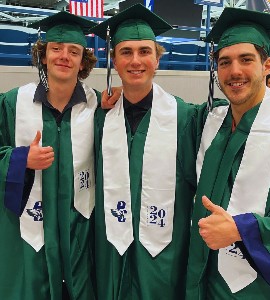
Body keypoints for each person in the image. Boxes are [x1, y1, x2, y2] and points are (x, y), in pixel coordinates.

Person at [185, 7, 270, 299]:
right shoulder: (209, 121)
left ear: (268, 65)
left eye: (246, 59)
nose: (234, 71)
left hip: (261, 285)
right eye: (225, 62)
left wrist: (241, 229)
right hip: (206, 279)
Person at [90, 4, 200, 299]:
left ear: (157, 60)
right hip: (111, 249)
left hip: (163, 253)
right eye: (126, 52)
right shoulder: (98, 118)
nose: (135, 60)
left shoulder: (185, 117)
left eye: (144, 51)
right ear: (113, 61)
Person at [0, 11, 100, 300]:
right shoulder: (11, 103)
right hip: (26, 230)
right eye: (56, 49)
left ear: (83, 61)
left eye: (74, 51)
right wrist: (20, 159)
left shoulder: (99, 107)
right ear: (44, 56)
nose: (64, 56)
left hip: (79, 227)